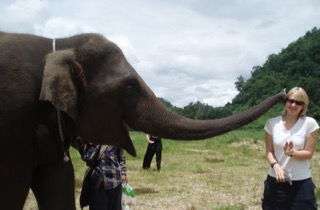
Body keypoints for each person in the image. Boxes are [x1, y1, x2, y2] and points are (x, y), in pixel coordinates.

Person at [262, 87, 319, 209]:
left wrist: (292, 153)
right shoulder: (272, 123)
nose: (293, 105)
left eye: (299, 103)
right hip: (275, 181)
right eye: (290, 100)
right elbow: (269, 152)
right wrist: (275, 166)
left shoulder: (310, 123)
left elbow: (309, 153)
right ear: (286, 101)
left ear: (303, 106)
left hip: (301, 183)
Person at [72, 137, 127, 210]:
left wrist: (123, 173)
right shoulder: (90, 137)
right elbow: (86, 156)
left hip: (116, 182)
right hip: (99, 183)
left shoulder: (115, 136)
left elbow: (121, 157)